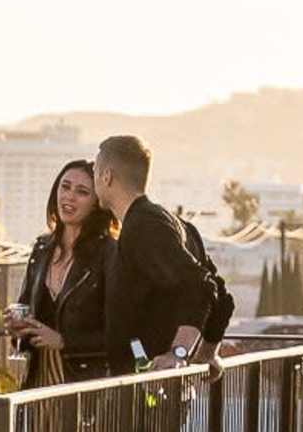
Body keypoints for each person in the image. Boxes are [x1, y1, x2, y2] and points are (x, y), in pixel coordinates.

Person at [90, 135, 214, 372]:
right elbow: (220, 292)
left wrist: (178, 353)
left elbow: (201, 286)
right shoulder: (167, 221)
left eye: (95, 171)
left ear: (107, 176)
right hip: (147, 380)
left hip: (150, 388)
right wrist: (208, 354)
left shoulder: (145, 226)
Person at [6, 157, 114, 385]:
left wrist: (64, 341)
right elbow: (26, 307)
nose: (69, 196)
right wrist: (18, 329)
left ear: (96, 202)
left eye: (82, 191)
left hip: (82, 385)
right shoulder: (42, 249)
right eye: (65, 187)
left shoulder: (108, 253)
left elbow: (118, 332)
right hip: (38, 381)